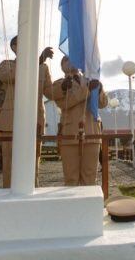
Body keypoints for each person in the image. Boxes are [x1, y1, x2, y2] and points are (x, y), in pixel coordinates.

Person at [0, 36, 51, 188]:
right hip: (10, 123)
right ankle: (8, 197)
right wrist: (35, 62)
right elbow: (7, 77)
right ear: (14, 47)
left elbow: (51, 92)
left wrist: (69, 85)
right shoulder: (7, 65)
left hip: (35, 121)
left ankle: (32, 195)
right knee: (10, 163)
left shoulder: (43, 67)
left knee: (33, 162)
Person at [45, 56, 108, 185]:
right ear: (62, 66)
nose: (71, 60)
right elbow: (65, 103)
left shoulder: (90, 79)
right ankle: (71, 205)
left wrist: (100, 90)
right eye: (66, 59)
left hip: (92, 132)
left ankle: (87, 205)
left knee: (90, 177)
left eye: (73, 57)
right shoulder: (60, 84)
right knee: (71, 178)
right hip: (69, 134)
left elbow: (103, 103)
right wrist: (87, 90)